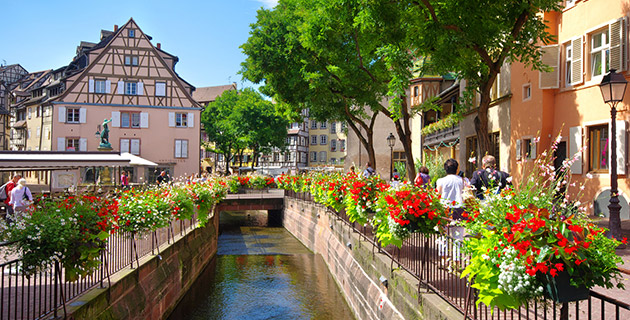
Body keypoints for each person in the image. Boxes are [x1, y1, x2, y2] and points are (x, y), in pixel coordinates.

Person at [435, 159, 465, 264]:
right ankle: (456, 261)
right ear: (457, 169)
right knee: (458, 237)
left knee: (443, 235)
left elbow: (437, 195)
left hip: (445, 208)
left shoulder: (441, 181)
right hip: (459, 209)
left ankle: (444, 260)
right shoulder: (462, 180)